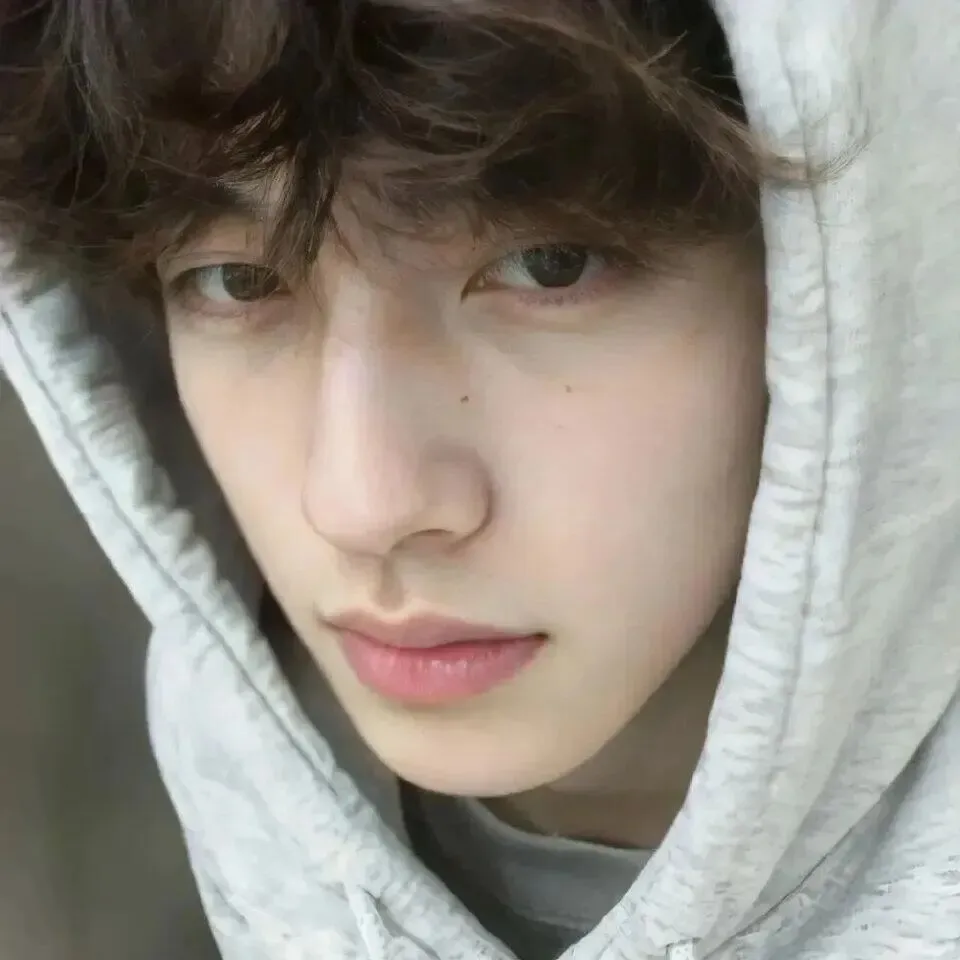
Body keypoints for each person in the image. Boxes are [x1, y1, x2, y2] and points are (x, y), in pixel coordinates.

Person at [1, 1, 959, 957]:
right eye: (236, 282)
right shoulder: (227, 737)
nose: (362, 505)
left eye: (550, 266)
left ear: (847, 274)